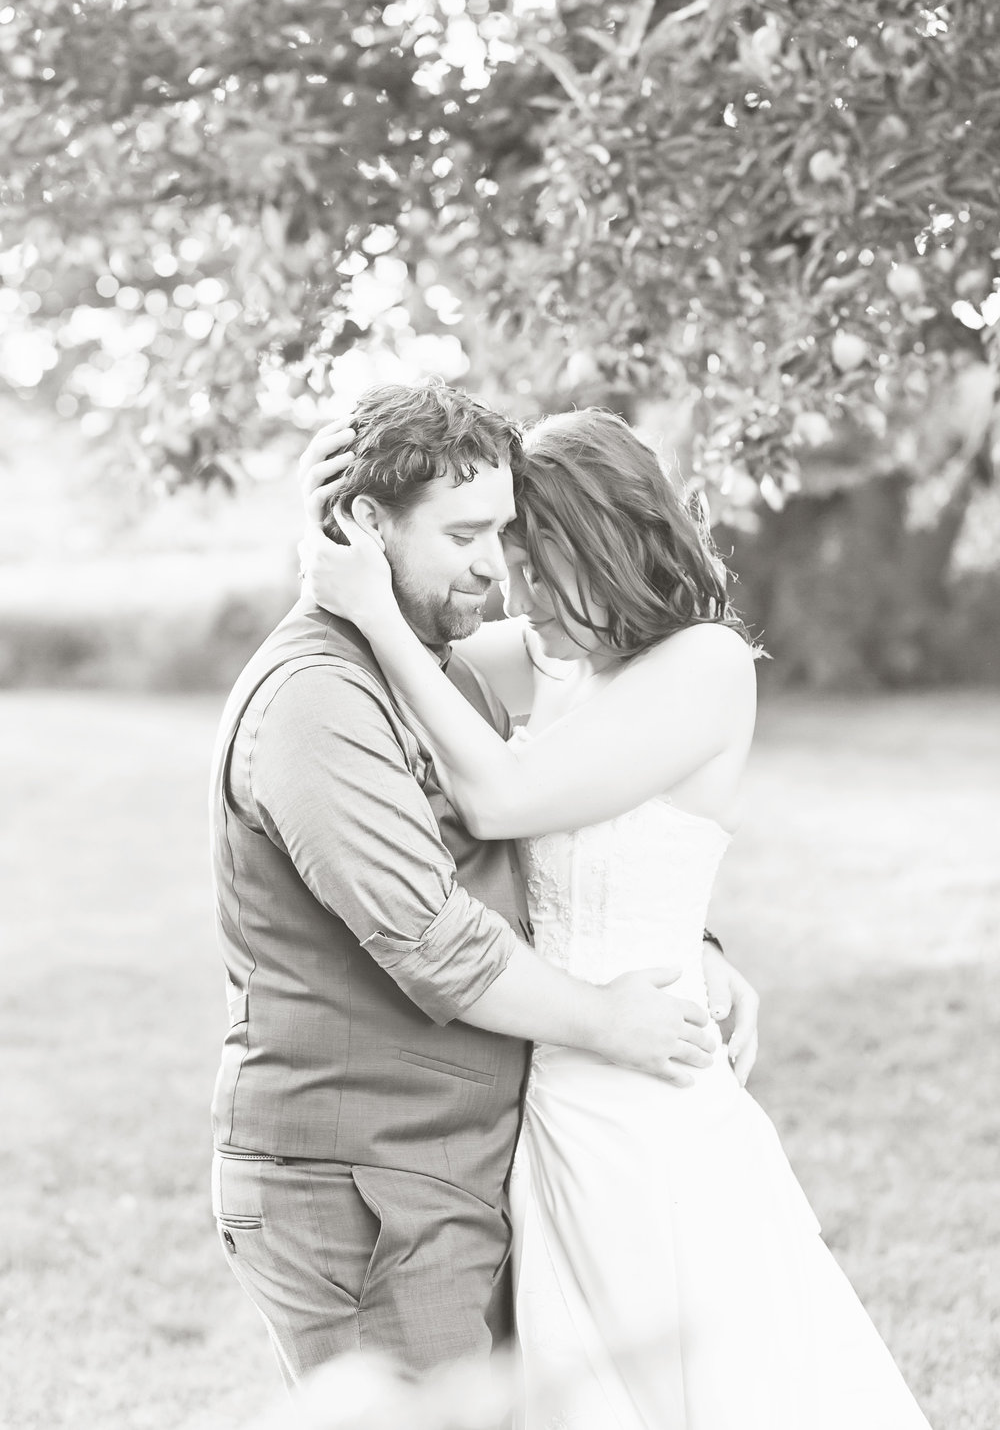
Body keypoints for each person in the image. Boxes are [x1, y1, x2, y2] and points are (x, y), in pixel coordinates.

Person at [299, 403, 934, 1429]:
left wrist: (375, 616)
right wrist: (337, 519)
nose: (522, 593)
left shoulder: (707, 663)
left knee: (713, 1372)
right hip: (557, 1098)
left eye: (545, 564)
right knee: (592, 1384)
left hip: (657, 1099)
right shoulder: (551, 662)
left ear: (613, 541)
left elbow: (500, 797)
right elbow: (400, 652)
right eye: (511, 561)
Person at [208, 384, 758, 1389]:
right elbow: (433, 937)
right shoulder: (321, 701)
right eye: (468, 533)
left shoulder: (442, 672)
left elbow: (565, 840)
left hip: (470, 1159)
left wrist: (692, 948)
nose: (500, 573)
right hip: (359, 1177)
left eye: (505, 534)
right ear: (366, 530)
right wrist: (604, 1019)